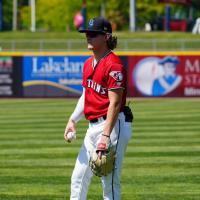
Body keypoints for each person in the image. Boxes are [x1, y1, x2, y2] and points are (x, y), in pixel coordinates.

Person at [64, 17, 133, 200]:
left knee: (108, 183)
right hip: (92, 127)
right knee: (78, 178)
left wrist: (105, 137)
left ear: (106, 37)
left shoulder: (114, 65)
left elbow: (115, 103)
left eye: (93, 34)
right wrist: (72, 120)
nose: (88, 37)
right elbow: (87, 94)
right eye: (87, 33)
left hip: (112, 127)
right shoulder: (88, 64)